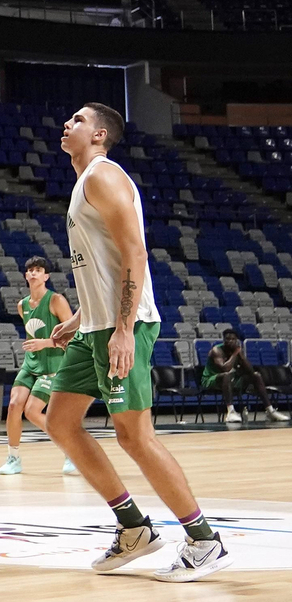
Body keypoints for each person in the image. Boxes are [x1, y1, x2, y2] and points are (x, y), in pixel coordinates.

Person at [44, 103, 230, 582]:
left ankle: (204, 539)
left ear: (100, 134)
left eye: (79, 120)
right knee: (61, 422)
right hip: (96, 327)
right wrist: (83, 316)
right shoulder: (83, 181)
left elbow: (134, 252)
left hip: (122, 327)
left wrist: (123, 329)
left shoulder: (103, 177)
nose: (68, 124)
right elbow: (105, 263)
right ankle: (134, 529)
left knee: (134, 436)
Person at [0, 256, 78, 477]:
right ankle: (13, 458)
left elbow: (74, 336)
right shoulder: (22, 305)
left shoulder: (56, 300)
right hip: (30, 365)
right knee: (14, 405)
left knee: (32, 411)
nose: (33, 273)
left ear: (46, 276)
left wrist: (47, 342)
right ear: (26, 276)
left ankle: (70, 449)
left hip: (53, 365)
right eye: (30, 270)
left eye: (38, 270)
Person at [201, 329, 289, 425]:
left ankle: (270, 411)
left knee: (256, 375)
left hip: (231, 379)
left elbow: (250, 371)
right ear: (223, 340)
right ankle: (231, 411)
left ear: (237, 340)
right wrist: (235, 354)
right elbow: (225, 369)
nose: (230, 341)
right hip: (211, 379)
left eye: (233, 339)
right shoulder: (216, 350)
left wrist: (241, 356)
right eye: (227, 339)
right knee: (226, 375)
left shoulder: (237, 351)